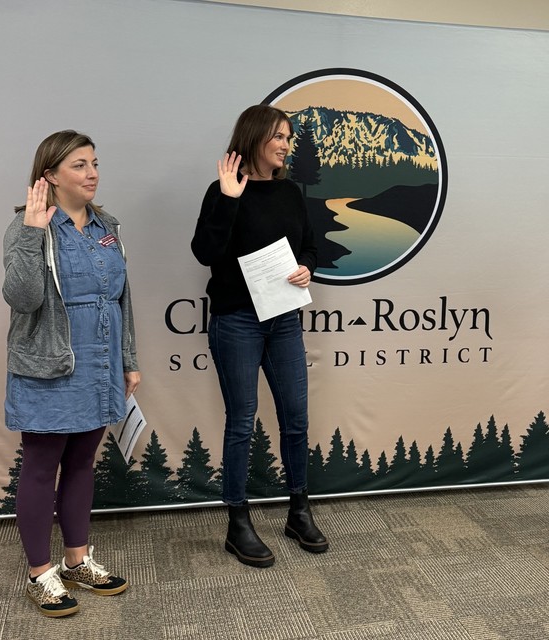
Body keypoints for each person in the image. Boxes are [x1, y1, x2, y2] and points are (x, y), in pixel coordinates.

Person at [3, 130, 140, 616]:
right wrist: (34, 232)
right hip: (50, 365)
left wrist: (129, 360)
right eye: (79, 165)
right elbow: (23, 299)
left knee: (83, 462)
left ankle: (77, 560)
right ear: (50, 176)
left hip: (99, 361)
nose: (93, 173)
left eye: (95, 163)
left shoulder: (108, 225)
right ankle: (41, 573)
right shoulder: (27, 227)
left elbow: (121, 298)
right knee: (41, 466)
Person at [191, 105, 328, 568]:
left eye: (289, 137)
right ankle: (238, 523)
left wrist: (307, 266)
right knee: (241, 421)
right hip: (237, 320)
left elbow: (308, 244)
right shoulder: (223, 190)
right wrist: (229, 199)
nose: (286, 144)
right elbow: (205, 252)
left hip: (284, 318)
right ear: (253, 138)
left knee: (296, 416)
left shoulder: (291, 191)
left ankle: (298, 511)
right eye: (278, 136)